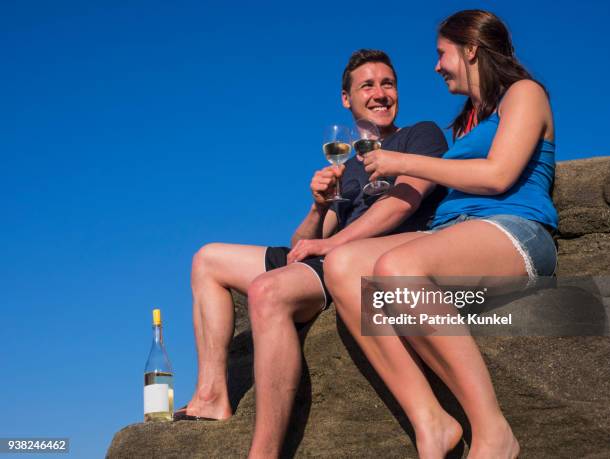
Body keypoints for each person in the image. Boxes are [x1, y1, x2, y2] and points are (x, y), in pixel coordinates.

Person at [174, 49, 448, 457]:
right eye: (367, 85)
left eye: (387, 83)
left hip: (366, 258)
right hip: (328, 255)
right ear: (346, 98)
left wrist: (332, 244)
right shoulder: (350, 165)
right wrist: (319, 206)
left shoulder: (421, 135)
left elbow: (401, 204)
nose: (379, 93)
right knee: (207, 258)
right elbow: (306, 241)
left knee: (268, 291)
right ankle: (212, 395)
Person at [324, 10, 557, 459]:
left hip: (515, 232)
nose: (435, 66)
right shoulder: (466, 120)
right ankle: (430, 420)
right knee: (344, 264)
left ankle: (493, 433)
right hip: (455, 234)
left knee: (395, 268)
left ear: (470, 49)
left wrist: (402, 163)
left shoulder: (524, 94)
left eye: (441, 53)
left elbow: (497, 176)